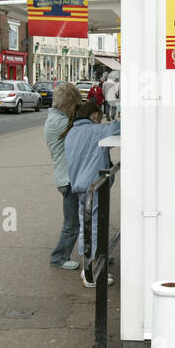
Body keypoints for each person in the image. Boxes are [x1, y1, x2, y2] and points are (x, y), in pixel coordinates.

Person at [64, 101, 121, 288]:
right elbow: (118, 127)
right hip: (94, 185)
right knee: (94, 226)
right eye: (99, 117)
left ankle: (88, 265)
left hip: (79, 185)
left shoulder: (72, 132)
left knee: (85, 226)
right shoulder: (96, 131)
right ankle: (91, 273)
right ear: (95, 116)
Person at [44, 83, 83, 271]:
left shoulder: (55, 117)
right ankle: (58, 257)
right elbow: (82, 132)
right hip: (67, 178)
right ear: (69, 105)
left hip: (66, 176)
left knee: (76, 221)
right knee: (72, 224)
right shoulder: (60, 123)